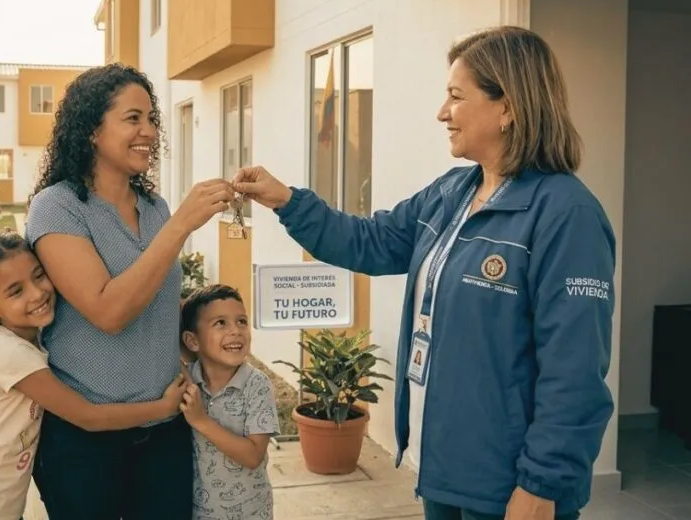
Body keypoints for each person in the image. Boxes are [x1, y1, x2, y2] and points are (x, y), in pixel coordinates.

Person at [232, 26, 614, 520]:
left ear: (509, 107)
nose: (442, 112)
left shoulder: (566, 214)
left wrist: (542, 484)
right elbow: (369, 242)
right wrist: (286, 200)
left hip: (509, 486)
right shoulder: (452, 193)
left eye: (456, 96)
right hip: (444, 469)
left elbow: (575, 369)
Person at [25, 63, 234, 519]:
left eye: (151, 119)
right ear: (92, 130)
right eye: (132, 118)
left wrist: (217, 333)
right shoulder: (57, 207)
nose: (149, 131)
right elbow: (108, 310)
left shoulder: (154, 208)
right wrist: (181, 226)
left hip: (164, 428)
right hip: (87, 444)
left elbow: (156, 302)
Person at [0, 232, 188, 520]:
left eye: (38, 276)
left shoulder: (27, 340)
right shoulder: (8, 354)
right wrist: (163, 407)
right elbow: (88, 416)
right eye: (15, 291)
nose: (37, 293)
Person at [179, 285, 279, 520]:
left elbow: (253, 456)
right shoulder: (189, 379)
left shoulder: (257, 385)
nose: (236, 331)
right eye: (220, 323)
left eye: (242, 321)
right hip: (197, 512)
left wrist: (201, 420)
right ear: (192, 341)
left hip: (250, 512)